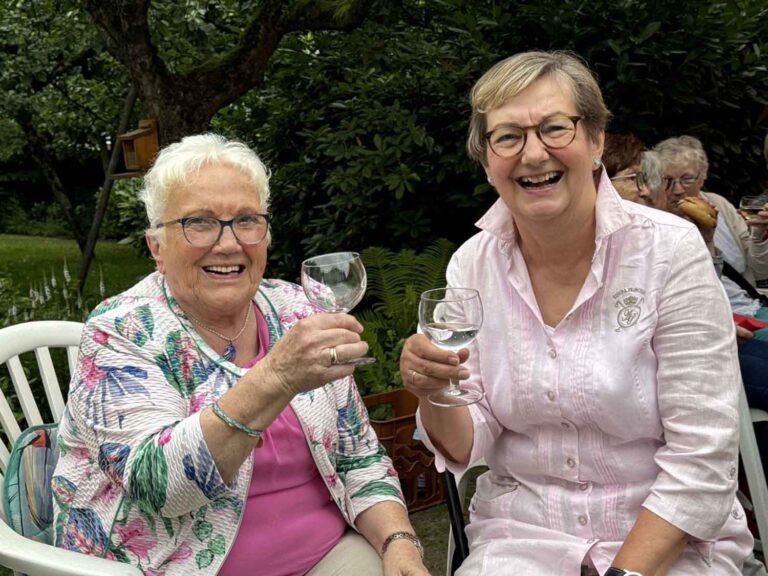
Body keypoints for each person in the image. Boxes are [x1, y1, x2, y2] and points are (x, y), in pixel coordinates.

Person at [399, 51, 757, 575]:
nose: (533, 153)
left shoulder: (668, 251)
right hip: (523, 539)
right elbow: (467, 440)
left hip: (666, 541)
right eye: (508, 136)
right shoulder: (472, 267)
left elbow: (702, 458)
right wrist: (433, 393)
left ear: (595, 140)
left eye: (554, 128)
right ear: (486, 158)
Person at [51, 134, 429, 576]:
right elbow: (161, 487)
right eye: (200, 222)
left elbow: (357, 456)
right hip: (169, 565)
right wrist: (277, 377)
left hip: (325, 556)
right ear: (157, 247)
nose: (228, 244)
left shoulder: (299, 310)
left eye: (247, 220)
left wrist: (398, 541)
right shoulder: (121, 331)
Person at [654, 136, 768, 337]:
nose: (678, 190)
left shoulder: (718, 205)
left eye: (687, 179)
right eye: (668, 180)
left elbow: (760, 272)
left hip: (752, 307)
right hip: (717, 320)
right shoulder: (655, 219)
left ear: (702, 177)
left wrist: (759, 237)